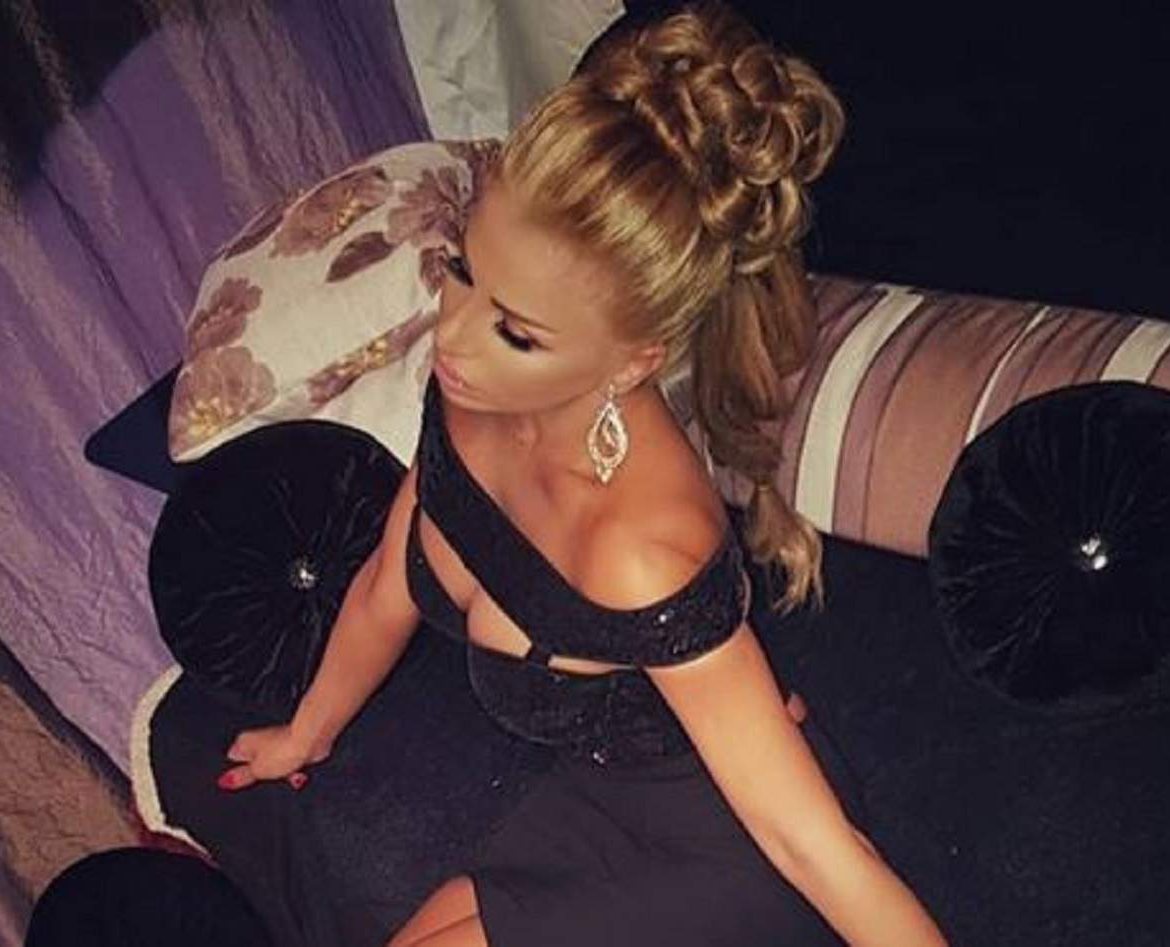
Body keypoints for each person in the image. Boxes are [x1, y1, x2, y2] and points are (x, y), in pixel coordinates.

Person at [218, 3, 949, 944]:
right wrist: (306, 731)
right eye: (462, 270)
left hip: (724, 844)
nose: (453, 337)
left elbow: (813, 846)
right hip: (599, 798)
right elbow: (381, 586)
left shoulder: (644, 549)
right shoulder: (471, 394)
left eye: (516, 332)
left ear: (632, 361)